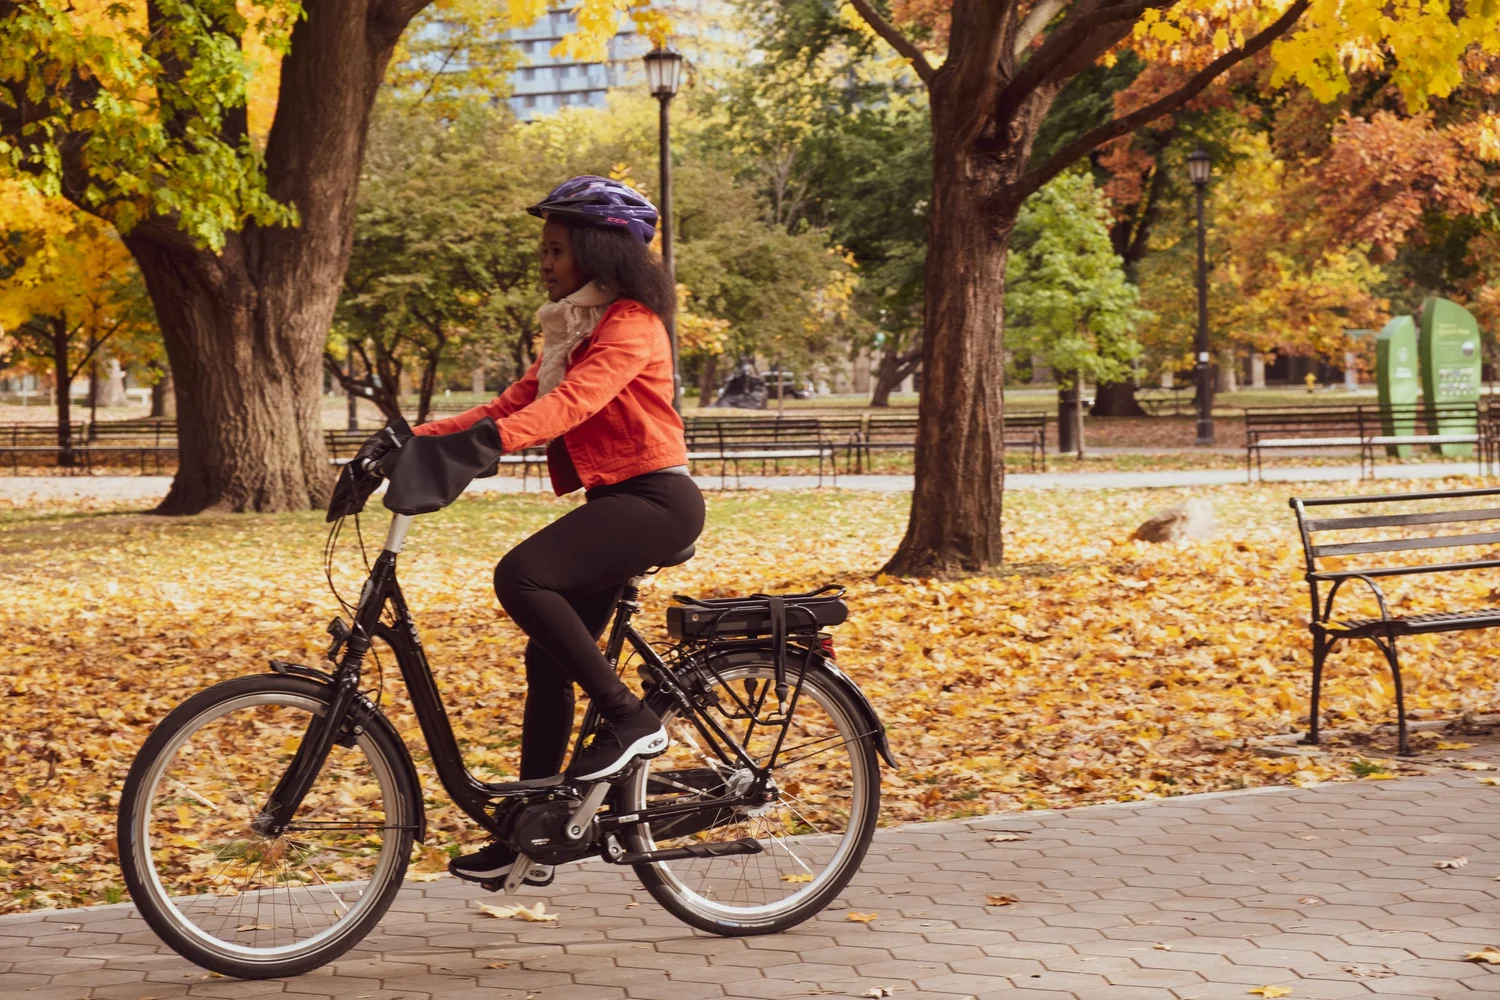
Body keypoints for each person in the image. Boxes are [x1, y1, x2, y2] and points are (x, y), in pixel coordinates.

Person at [369, 176, 704, 885]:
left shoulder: (632, 325)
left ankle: (630, 719)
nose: (545, 263)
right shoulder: (577, 329)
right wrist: (408, 440)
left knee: (521, 576)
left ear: (596, 249)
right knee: (546, 662)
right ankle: (529, 833)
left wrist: (479, 452)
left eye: (556, 249)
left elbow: (572, 407)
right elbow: (514, 402)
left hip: (656, 501)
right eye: (544, 250)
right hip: (620, 503)